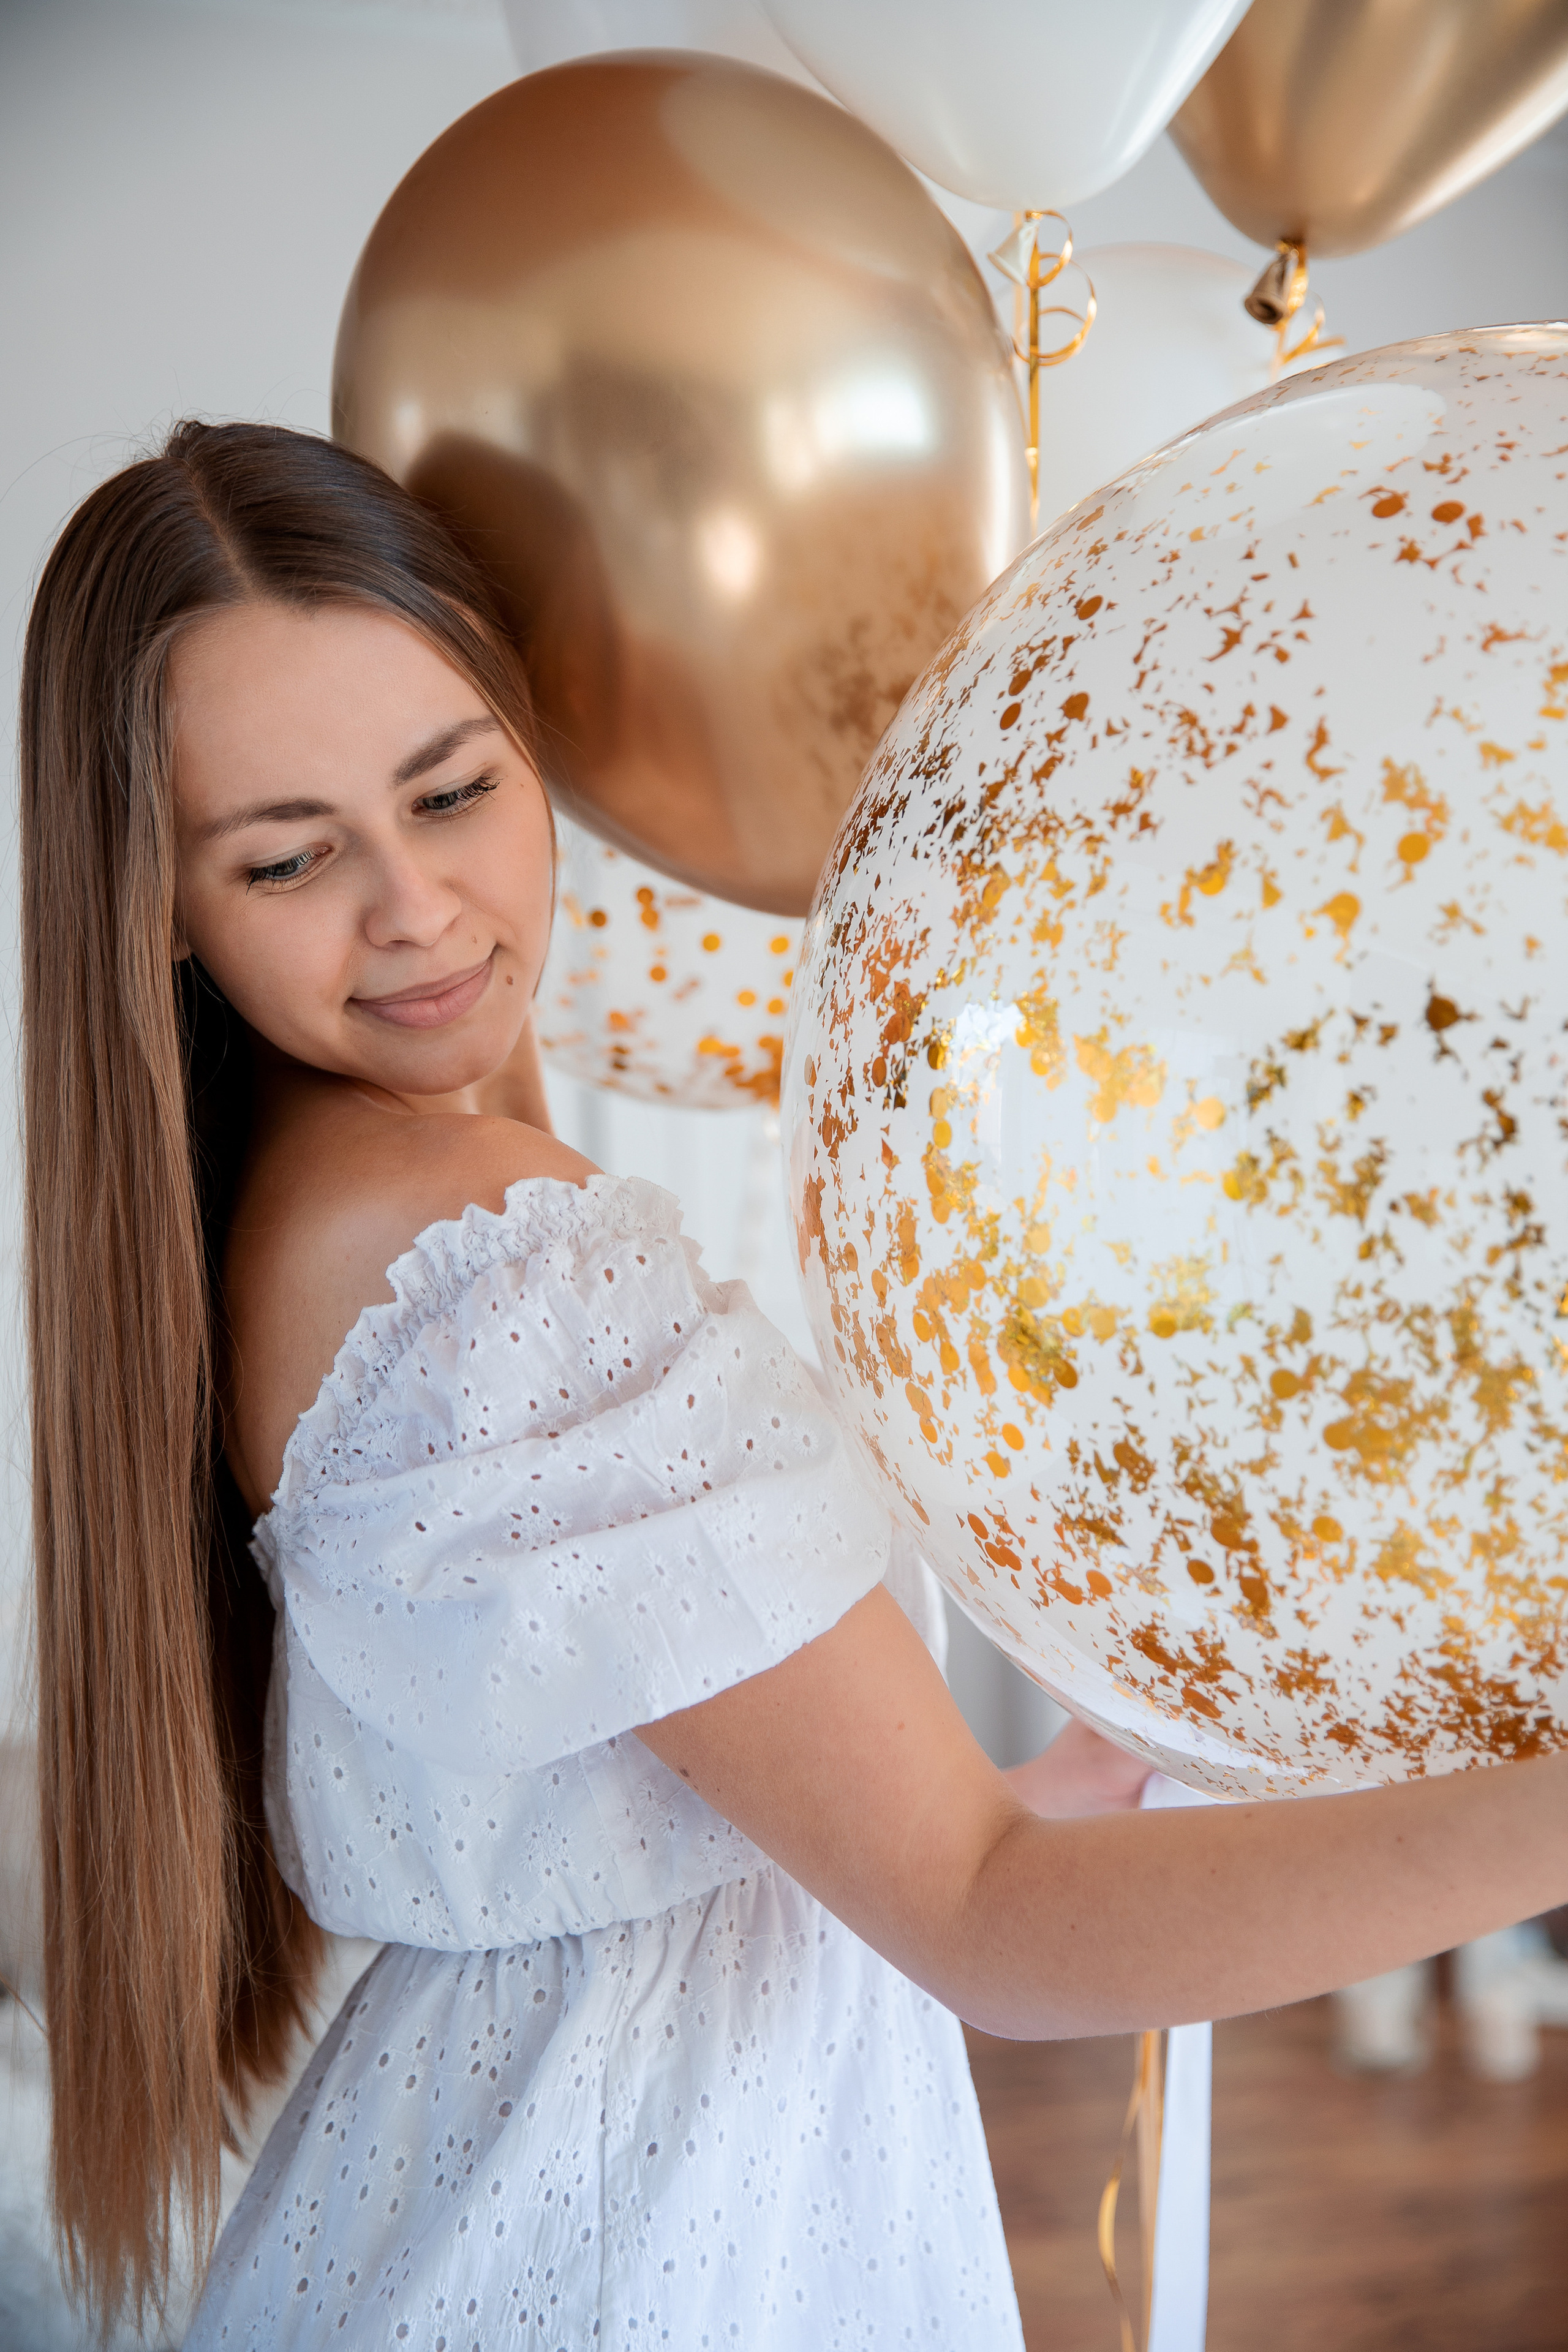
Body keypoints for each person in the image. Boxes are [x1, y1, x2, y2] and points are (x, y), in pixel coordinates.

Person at [20, 421, 1568, 2352]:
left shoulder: (281, 1217)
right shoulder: (506, 1266)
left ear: (538, 752)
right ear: (159, 900)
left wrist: (1020, 1791)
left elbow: (640, 1828)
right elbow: (991, 1931)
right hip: (631, 2265)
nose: (412, 907)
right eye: (290, 856)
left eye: (452, 791)